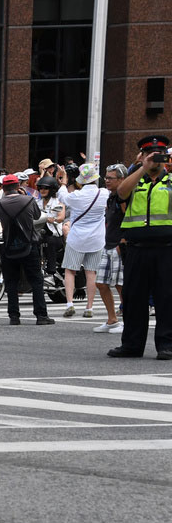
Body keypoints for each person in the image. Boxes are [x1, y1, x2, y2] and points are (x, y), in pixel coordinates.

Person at [109, 134, 172, 359]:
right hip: (137, 248)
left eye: (158, 155)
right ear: (142, 156)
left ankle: (166, 345)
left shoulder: (170, 181)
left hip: (166, 249)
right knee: (134, 298)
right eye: (149, 154)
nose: (154, 159)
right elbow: (121, 192)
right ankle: (132, 345)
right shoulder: (137, 179)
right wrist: (140, 168)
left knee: (166, 298)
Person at [0, 174, 53, 325]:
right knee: (36, 280)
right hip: (29, 245)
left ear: (3, 188)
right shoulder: (29, 200)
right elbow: (37, 216)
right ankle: (41, 316)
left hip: (8, 246)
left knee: (11, 282)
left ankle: (14, 317)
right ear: (18, 187)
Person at [55, 163, 108, 320]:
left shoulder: (77, 196)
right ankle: (89, 307)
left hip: (77, 238)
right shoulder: (103, 193)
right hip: (96, 239)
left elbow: (62, 197)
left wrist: (63, 181)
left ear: (80, 180)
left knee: (70, 270)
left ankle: (70, 304)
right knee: (91, 273)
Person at [94, 164, 128, 334]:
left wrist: (123, 241)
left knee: (122, 286)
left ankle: (129, 322)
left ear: (121, 179)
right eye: (106, 178)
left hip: (118, 246)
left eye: (110, 178)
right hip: (108, 244)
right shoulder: (111, 197)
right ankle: (112, 319)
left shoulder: (123, 197)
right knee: (101, 283)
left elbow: (129, 219)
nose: (106, 181)